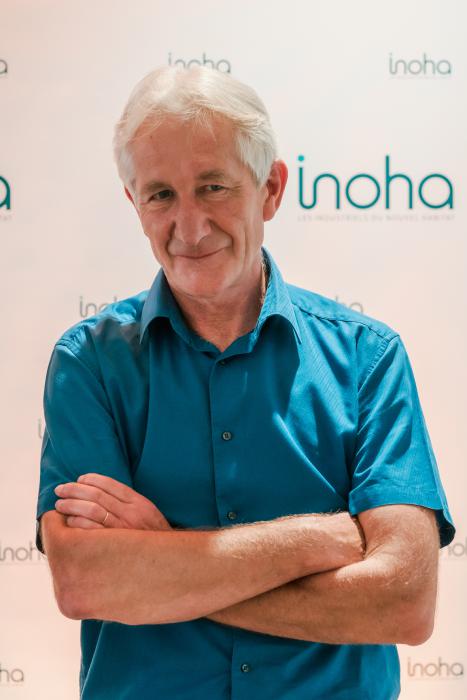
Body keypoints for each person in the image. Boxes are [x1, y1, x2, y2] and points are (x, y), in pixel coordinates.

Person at [36, 65, 455, 700]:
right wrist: (318, 539)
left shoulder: (368, 358)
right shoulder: (88, 363)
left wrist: (166, 560)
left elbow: (404, 602)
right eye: (160, 195)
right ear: (134, 204)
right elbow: (86, 582)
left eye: (213, 187)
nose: (190, 227)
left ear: (271, 189)